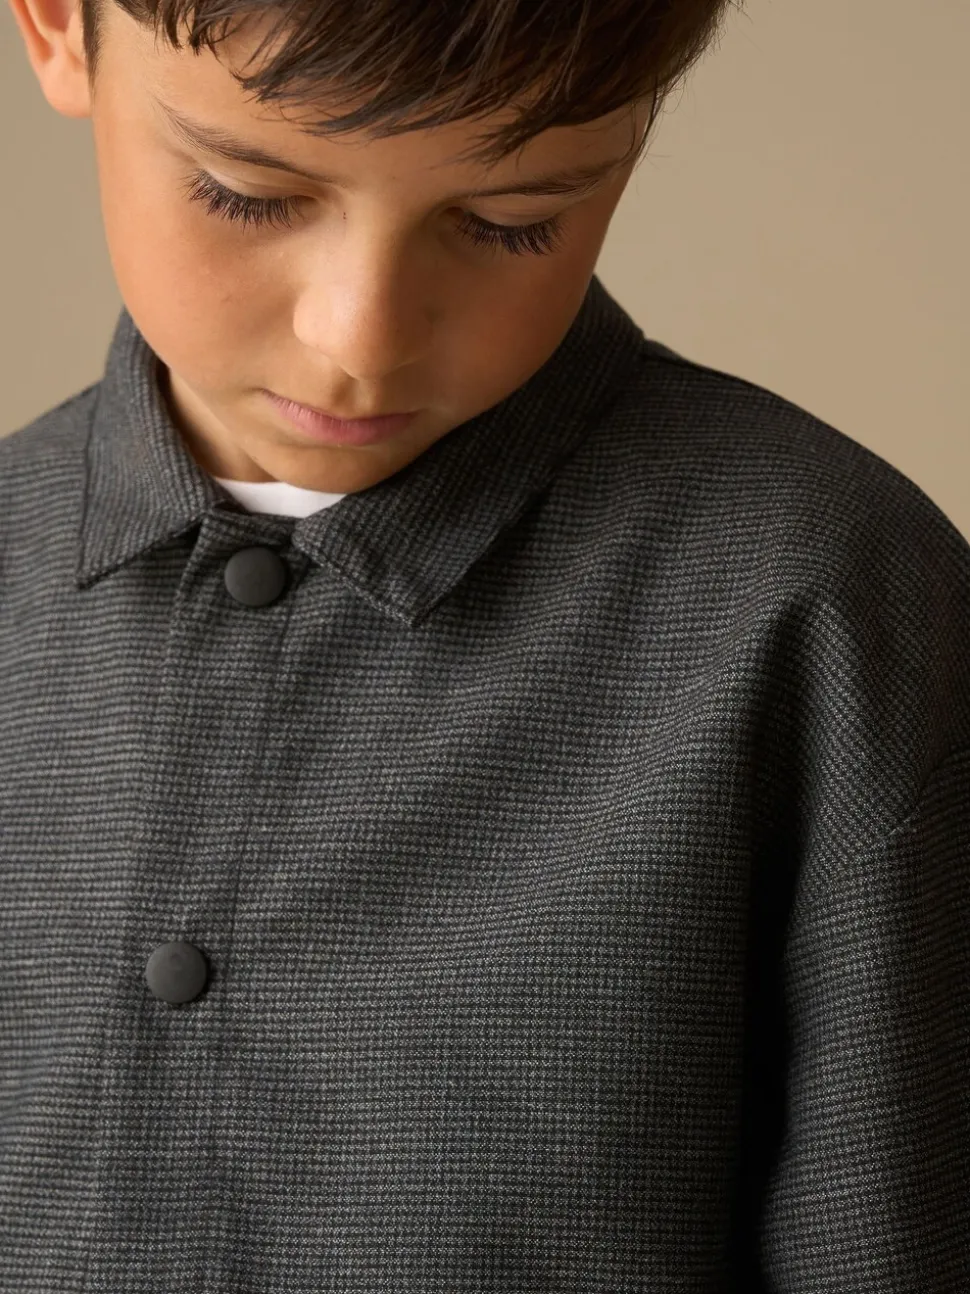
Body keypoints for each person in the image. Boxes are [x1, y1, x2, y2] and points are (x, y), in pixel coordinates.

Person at [2, 0, 967, 1288]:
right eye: (247, 194)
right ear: (58, 27)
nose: (359, 339)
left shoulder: (829, 601)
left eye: (513, 221)